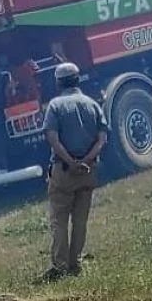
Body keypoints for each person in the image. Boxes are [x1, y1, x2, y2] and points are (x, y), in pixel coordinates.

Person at [40, 62, 109, 281]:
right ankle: (75, 262)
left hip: (63, 170)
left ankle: (60, 266)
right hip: (88, 170)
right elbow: (102, 138)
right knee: (80, 220)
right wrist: (86, 161)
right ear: (78, 79)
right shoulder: (91, 104)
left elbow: (52, 137)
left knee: (59, 220)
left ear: (58, 82)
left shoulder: (55, 105)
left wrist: (71, 162)